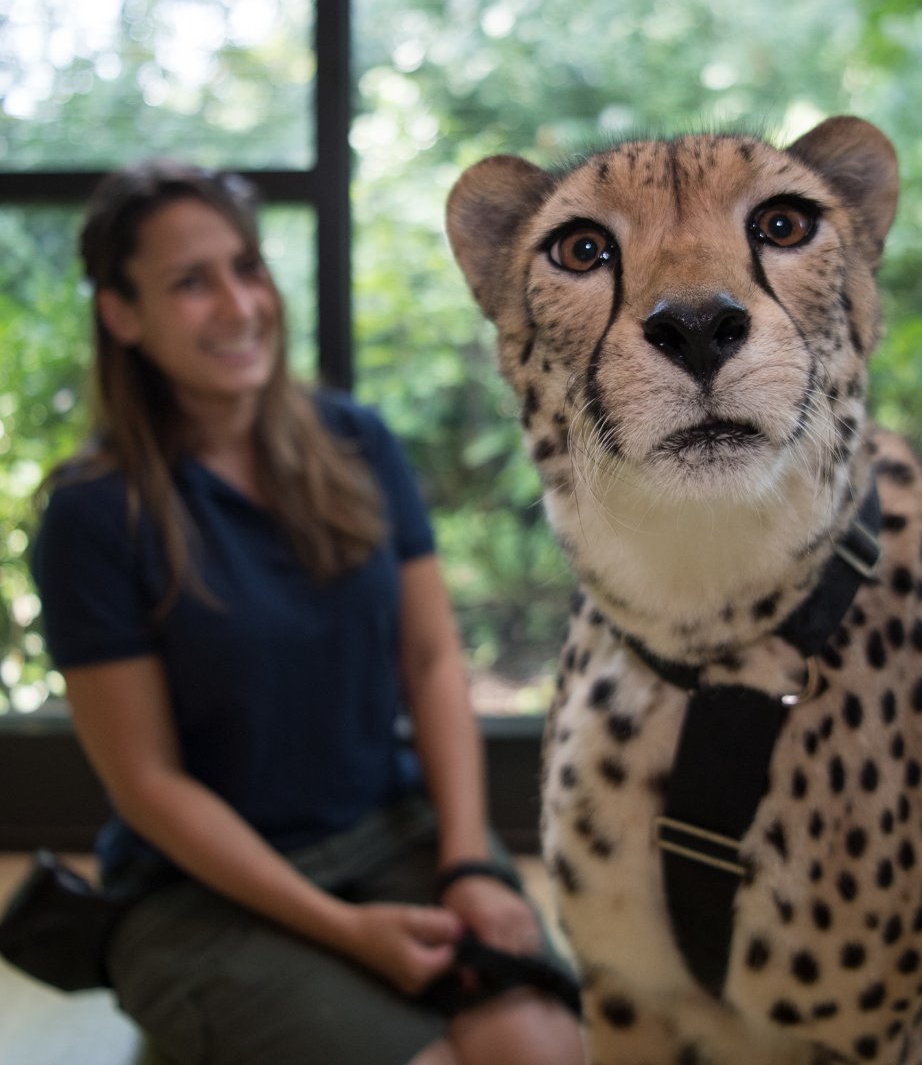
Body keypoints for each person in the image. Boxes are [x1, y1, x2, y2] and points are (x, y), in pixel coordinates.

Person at [31, 160, 585, 1065]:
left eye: (247, 268)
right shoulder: (92, 517)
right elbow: (148, 786)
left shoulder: (356, 441)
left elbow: (434, 661)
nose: (241, 305)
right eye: (191, 283)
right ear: (123, 315)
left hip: (393, 833)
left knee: (548, 1052)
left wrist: (470, 865)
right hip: (199, 892)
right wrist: (346, 933)